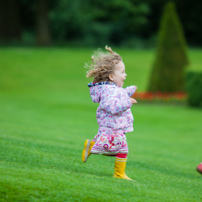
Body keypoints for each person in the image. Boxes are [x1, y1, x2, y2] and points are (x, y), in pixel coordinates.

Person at [81, 45, 137, 180]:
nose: (125, 75)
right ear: (111, 76)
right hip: (112, 127)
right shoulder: (109, 91)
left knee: (122, 150)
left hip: (116, 127)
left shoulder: (112, 88)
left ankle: (119, 173)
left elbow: (118, 95)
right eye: (122, 72)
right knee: (115, 150)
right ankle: (92, 148)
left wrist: (128, 91)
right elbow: (111, 106)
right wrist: (127, 102)